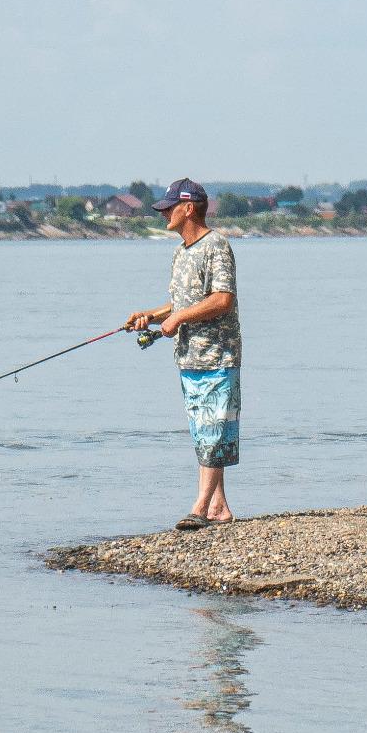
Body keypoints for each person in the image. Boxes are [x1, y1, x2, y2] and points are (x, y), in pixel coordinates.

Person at [124, 178, 240, 531]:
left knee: (214, 429)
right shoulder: (180, 252)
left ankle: (201, 507)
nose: (163, 214)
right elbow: (182, 303)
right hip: (188, 356)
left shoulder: (216, 246)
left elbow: (223, 299)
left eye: (168, 208)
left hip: (218, 355)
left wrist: (178, 318)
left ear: (188, 209)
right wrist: (152, 316)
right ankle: (220, 506)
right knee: (202, 430)